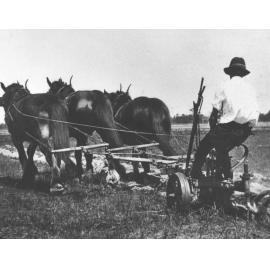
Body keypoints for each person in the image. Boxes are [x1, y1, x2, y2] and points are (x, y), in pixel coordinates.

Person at [191, 57, 259, 180]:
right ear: (243, 74)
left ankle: (196, 173)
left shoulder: (224, 86)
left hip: (227, 128)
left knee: (203, 146)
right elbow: (254, 115)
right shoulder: (251, 89)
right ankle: (224, 174)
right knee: (222, 149)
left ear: (230, 73)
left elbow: (214, 114)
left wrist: (213, 131)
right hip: (245, 130)